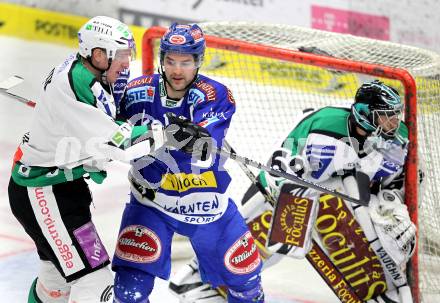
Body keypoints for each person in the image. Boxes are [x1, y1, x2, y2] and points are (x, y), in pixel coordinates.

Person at [7, 16, 204, 303]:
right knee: (96, 284)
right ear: (99, 54)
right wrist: (168, 134)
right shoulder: (75, 86)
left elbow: (104, 126)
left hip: (60, 188)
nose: (127, 63)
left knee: (55, 284)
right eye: (122, 56)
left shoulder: (91, 75)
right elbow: (120, 145)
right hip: (43, 193)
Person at [170, 80, 418, 303]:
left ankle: (386, 292)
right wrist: (276, 182)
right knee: (271, 241)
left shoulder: (398, 139)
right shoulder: (324, 127)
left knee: (381, 236)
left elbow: (404, 179)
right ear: (365, 115)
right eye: (386, 116)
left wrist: (392, 206)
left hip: (353, 195)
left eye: (395, 116)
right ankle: (200, 279)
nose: (394, 122)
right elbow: (285, 157)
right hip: (305, 187)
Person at [111, 23, 264, 303]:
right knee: (128, 292)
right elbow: (110, 128)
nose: (177, 70)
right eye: (170, 61)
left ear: (198, 61)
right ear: (162, 60)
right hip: (152, 205)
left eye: (185, 62)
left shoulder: (215, 94)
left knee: (247, 285)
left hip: (208, 206)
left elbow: (200, 141)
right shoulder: (135, 92)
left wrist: (178, 135)